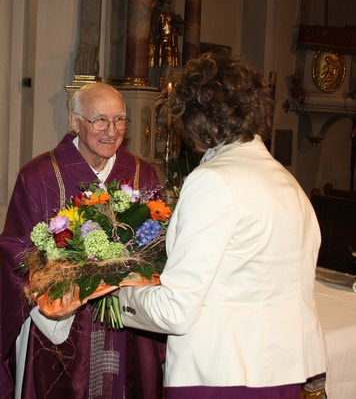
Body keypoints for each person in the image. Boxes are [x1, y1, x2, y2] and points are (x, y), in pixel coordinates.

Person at [118, 53, 327, 398]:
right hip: (283, 370)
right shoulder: (287, 182)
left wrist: (115, 295)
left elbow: (176, 310)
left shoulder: (213, 181)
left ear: (197, 119)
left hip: (224, 374)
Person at [0, 83, 166, 398]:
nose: (112, 131)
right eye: (100, 121)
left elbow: (159, 242)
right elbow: (16, 247)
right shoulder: (38, 175)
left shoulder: (142, 174)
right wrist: (61, 281)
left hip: (129, 320)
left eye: (120, 120)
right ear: (74, 121)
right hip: (64, 324)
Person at [149, 0, 184, 89]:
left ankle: (169, 84)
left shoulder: (172, 14)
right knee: (166, 61)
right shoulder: (158, 11)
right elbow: (154, 26)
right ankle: (163, 83)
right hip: (162, 41)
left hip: (172, 40)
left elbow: (178, 30)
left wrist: (178, 23)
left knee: (172, 62)